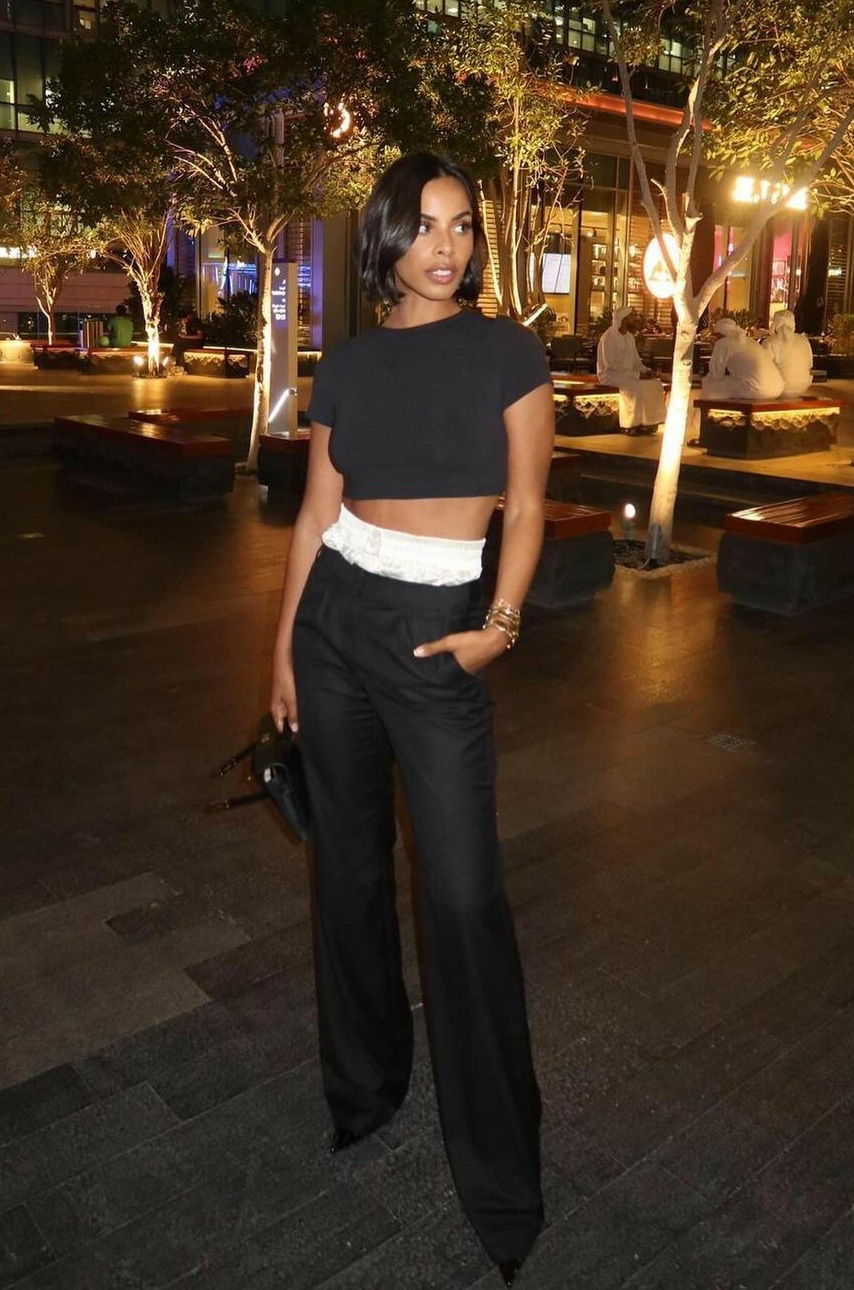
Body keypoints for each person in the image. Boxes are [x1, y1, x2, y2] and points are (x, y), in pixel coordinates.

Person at [269, 151, 552, 1286]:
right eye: (427, 226)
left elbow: (528, 505)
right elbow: (313, 515)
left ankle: (500, 1180)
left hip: (440, 630)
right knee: (346, 868)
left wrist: (501, 624)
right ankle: (365, 1087)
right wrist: (283, 651)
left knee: (464, 895)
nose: (448, 245)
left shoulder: (507, 351)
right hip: (335, 620)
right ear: (386, 238)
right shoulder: (346, 362)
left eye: (463, 225)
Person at [596, 305, 667, 433]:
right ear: (623, 319)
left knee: (655, 384)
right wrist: (637, 375)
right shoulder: (609, 338)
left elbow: (636, 361)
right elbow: (611, 366)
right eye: (631, 316)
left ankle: (649, 422)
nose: (634, 319)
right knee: (636, 386)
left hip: (629, 374)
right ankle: (630, 425)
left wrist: (646, 371)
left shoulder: (629, 337)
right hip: (611, 375)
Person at [700, 318, 785, 402]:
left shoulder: (723, 342)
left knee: (710, 385)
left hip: (757, 389)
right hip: (778, 388)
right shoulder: (750, 341)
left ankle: (712, 410)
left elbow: (716, 374)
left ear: (720, 334)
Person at [763, 309, 814, 398]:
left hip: (780, 388)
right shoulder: (804, 340)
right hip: (803, 386)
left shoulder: (770, 342)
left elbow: (763, 368)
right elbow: (810, 365)